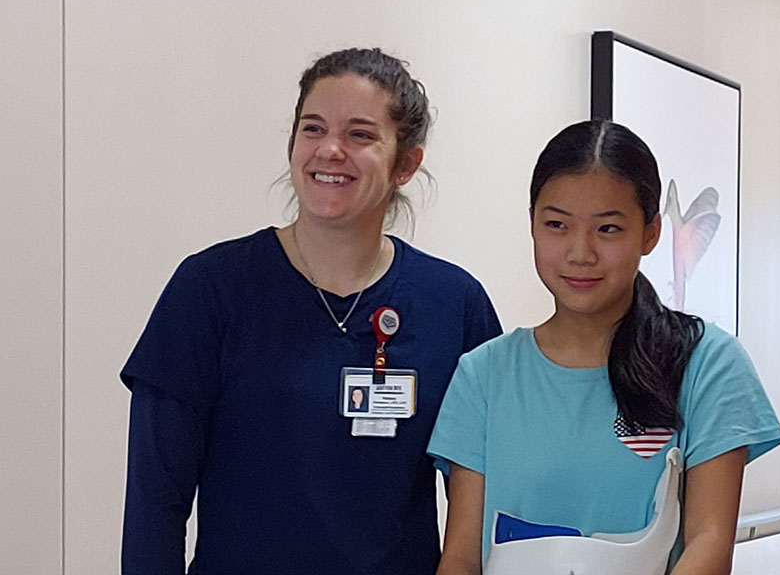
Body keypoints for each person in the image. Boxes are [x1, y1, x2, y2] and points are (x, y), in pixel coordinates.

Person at [120, 48, 502, 574]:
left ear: (406, 164)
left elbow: (479, 501)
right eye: (313, 128)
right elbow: (154, 504)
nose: (330, 150)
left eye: (361, 135)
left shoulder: (454, 304)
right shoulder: (210, 290)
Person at [428, 119, 780, 574]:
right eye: (556, 224)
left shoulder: (706, 363)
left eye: (608, 229)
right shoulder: (483, 374)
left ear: (651, 232)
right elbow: (460, 557)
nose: (580, 252)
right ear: (533, 225)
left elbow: (709, 543)